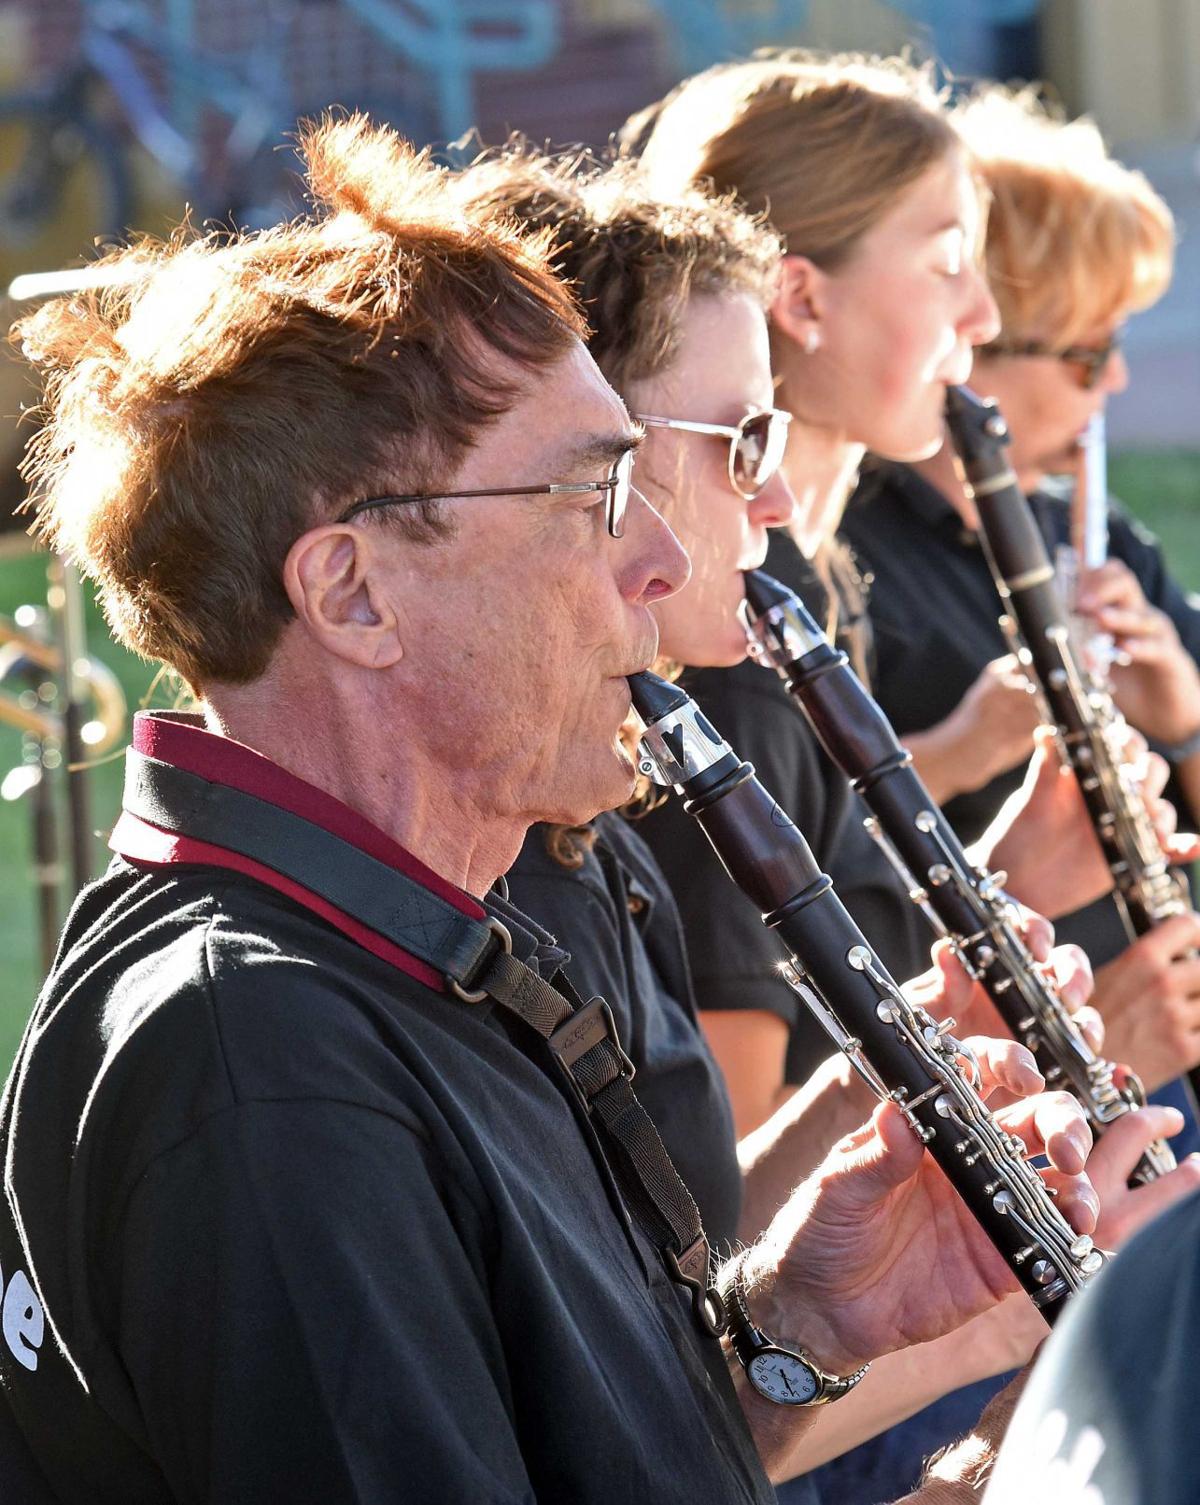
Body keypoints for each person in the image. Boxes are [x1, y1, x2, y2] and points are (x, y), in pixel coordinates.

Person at [0, 113, 1108, 1503]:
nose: (661, 557)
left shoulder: (421, 929)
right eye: (595, 492)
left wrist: (814, 1322)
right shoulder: (270, 1064)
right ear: (351, 592)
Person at [457, 145, 1200, 1493]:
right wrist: (1007, 1403)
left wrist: (904, 1062)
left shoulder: (605, 813)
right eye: (743, 442)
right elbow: (646, 1395)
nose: (781, 500)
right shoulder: (693, 726)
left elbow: (688, 1318)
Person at [841, 84, 1200, 1088]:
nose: (1117, 384)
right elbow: (793, 832)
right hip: (978, 1076)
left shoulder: (1086, 534)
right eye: (1091, 353)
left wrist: (1182, 720)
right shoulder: (840, 551)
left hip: (1153, 1050)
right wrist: (964, 748)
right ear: (976, 343)